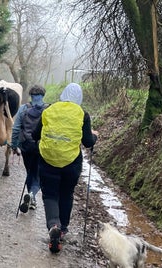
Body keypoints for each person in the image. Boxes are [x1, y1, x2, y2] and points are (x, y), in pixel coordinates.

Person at [32, 83, 97, 254]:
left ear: (62, 95)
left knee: (50, 194)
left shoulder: (49, 110)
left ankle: (53, 224)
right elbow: (88, 142)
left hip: (47, 160)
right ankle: (62, 229)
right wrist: (95, 136)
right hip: (71, 163)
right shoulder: (82, 114)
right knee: (66, 194)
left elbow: (35, 135)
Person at [10, 85, 48, 213]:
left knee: (29, 173)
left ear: (31, 96)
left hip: (26, 147)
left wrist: (14, 145)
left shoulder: (23, 109)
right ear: (43, 95)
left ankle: (31, 199)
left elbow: (16, 129)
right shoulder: (48, 109)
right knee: (38, 175)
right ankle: (32, 195)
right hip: (42, 148)